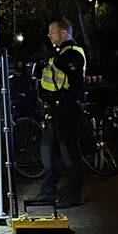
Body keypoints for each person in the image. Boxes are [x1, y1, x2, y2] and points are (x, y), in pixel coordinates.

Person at [32, 18, 87, 208]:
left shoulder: (73, 53)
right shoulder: (57, 54)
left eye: (52, 31)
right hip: (52, 110)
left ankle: (73, 195)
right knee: (48, 152)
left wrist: (49, 59)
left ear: (64, 32)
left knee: (69, 154)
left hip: (66, 109)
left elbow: (69, 70)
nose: (49, 35)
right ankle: (48, 192)